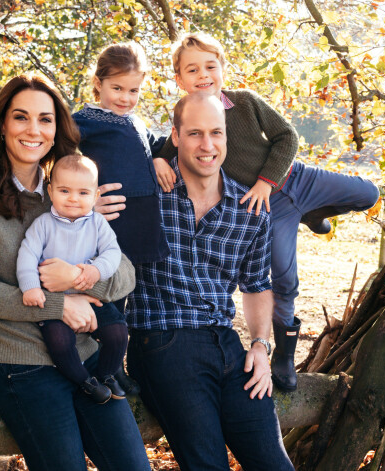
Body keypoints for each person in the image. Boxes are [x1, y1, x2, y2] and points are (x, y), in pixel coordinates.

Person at [0, 73, 150, 471]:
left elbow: (125, 274)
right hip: (24, 366)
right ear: (2, 124)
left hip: (89, 358)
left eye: (46, 119)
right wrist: (58, 305)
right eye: (21, 117)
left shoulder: (71, 190)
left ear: (57, 131)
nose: (33, 130)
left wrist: (77, 277)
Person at [153, 32, 380, 391]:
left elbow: (287, 136)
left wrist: (265, 180)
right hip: (269, 210)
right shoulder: (188, 119)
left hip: (296, 179)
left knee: (369, 193)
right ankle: (284, 358)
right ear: (179, 79)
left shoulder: (245, 102)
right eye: (192, 70)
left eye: (211, 66)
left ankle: (314, 212)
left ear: (223, 68)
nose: (203, 75)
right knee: (284, 280)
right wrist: (156, 161)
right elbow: (168, 148)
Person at [125, 92, 294, 470]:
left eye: (216, 133)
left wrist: (261, 347)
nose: (207, 145)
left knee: (275, 465)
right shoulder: (147, 195)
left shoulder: (248, 210)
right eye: (195, 133)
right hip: (164, 339)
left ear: (227, 138)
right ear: (176, 136)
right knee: (207, 464)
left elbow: (256, 285)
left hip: (227, 344)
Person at [73, 41, 169, 394]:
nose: (126, 98)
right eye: (117, 88)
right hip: (112, 223)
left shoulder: (135, 120)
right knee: (107, 296)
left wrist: (158, 158)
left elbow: (154, 144)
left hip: (141, 222)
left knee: (125, 297)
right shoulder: (85, 121)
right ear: (98, 83)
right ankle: (103, 366)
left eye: (134, 90)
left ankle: (117, 365)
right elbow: (58, 156)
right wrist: (83, 198)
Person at [16, 154, 127, 403]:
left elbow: (112, 252)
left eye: (83, 193)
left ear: (96, 196)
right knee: (59, 342)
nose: (73, 199)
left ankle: (106, 374)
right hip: (54, 301)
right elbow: (27, 254)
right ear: (51, 191)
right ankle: (84, 381)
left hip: (88, 296)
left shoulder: (97, 223)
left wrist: (95, 270)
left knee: (118, 332)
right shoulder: (43, 224)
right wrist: (31, 287)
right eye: (64, 190)